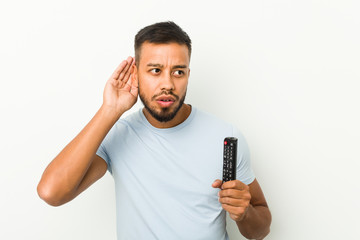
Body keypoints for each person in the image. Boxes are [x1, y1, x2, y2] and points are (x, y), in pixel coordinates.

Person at [37, 21, 271, 239]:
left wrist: (245, 213)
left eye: (178, 71)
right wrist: (110, 110)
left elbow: (260, 230)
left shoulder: (225, 136)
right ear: (136, 73)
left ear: (188, 75)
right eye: (155, 70)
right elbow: (52, 192)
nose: (167, 84)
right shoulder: (119, 134)